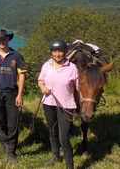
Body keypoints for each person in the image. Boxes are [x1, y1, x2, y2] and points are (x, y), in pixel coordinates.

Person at [38, 39, 78, 169]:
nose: (57, 54)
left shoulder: (72, 68)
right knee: (52, 130)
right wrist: (42, 88)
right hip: (48, 103)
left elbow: (78, 88)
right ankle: (55, 155)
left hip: (65, 105)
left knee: (64, 136)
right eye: (54, 51)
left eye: (60, 51)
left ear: (65, 51)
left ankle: (70, 165)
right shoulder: (46, 65)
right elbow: (40, 80)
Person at [0, 29, 26, 164]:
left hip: (12, 93)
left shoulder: (17, 56)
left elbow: (22, 75)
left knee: (12, 123)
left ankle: (11, 151)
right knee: (0, 121)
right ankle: (3, 146)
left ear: (8, 39)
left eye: (4, 39)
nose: (1, 42)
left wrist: (20, 95)